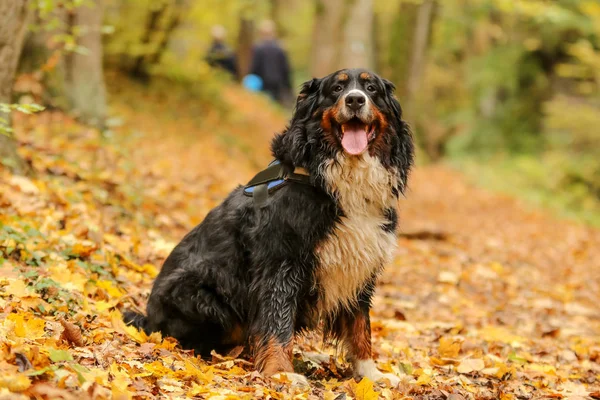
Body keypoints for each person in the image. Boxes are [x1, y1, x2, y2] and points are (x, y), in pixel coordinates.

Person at [249, 20, 292, 105]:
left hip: (263, 83)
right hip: (277, 83)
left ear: (261, 33)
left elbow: (255, 67)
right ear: (273, 33)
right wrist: (288, 86)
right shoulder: (279, 48)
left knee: (265, 106)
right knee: (276, 105)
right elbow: (285, 68)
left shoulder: (258, 48)